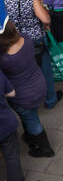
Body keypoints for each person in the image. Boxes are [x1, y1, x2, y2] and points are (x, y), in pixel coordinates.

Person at [0, 22, 51, 157]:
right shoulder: (26, 39)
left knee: (32, 121)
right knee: (31, 114)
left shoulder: (4, 58)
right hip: (39, 84)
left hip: (22, 95)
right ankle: (29, 135)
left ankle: (45, 149)